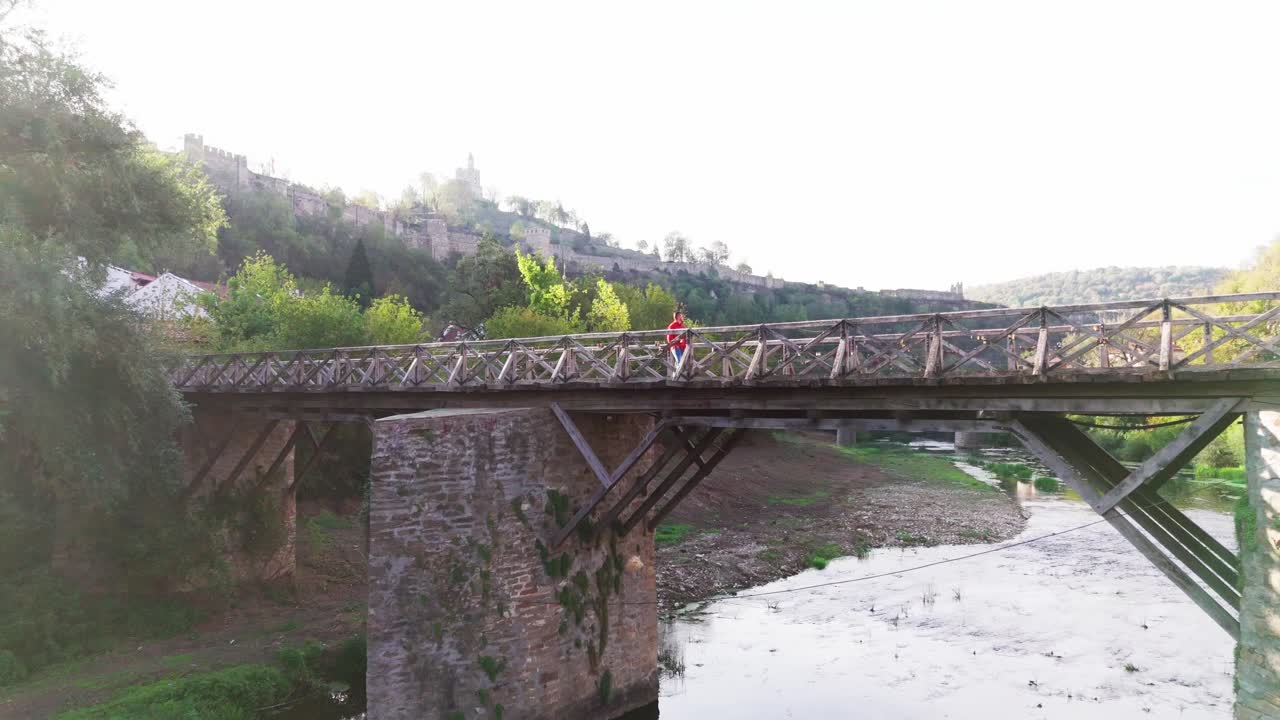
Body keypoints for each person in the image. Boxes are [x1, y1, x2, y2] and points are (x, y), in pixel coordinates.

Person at [666, 309, 687, 373]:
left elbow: (685, 337)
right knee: (679, 361)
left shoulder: (682, 326)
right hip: (675, 347)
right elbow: (669, 338)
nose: (683, 317)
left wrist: (683, 344)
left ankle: (677, 375)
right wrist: (674, 345)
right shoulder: (672, 325)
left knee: (683, 362)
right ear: (678, 317)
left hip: (682, 347)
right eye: (681, 316)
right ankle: (677, 376)